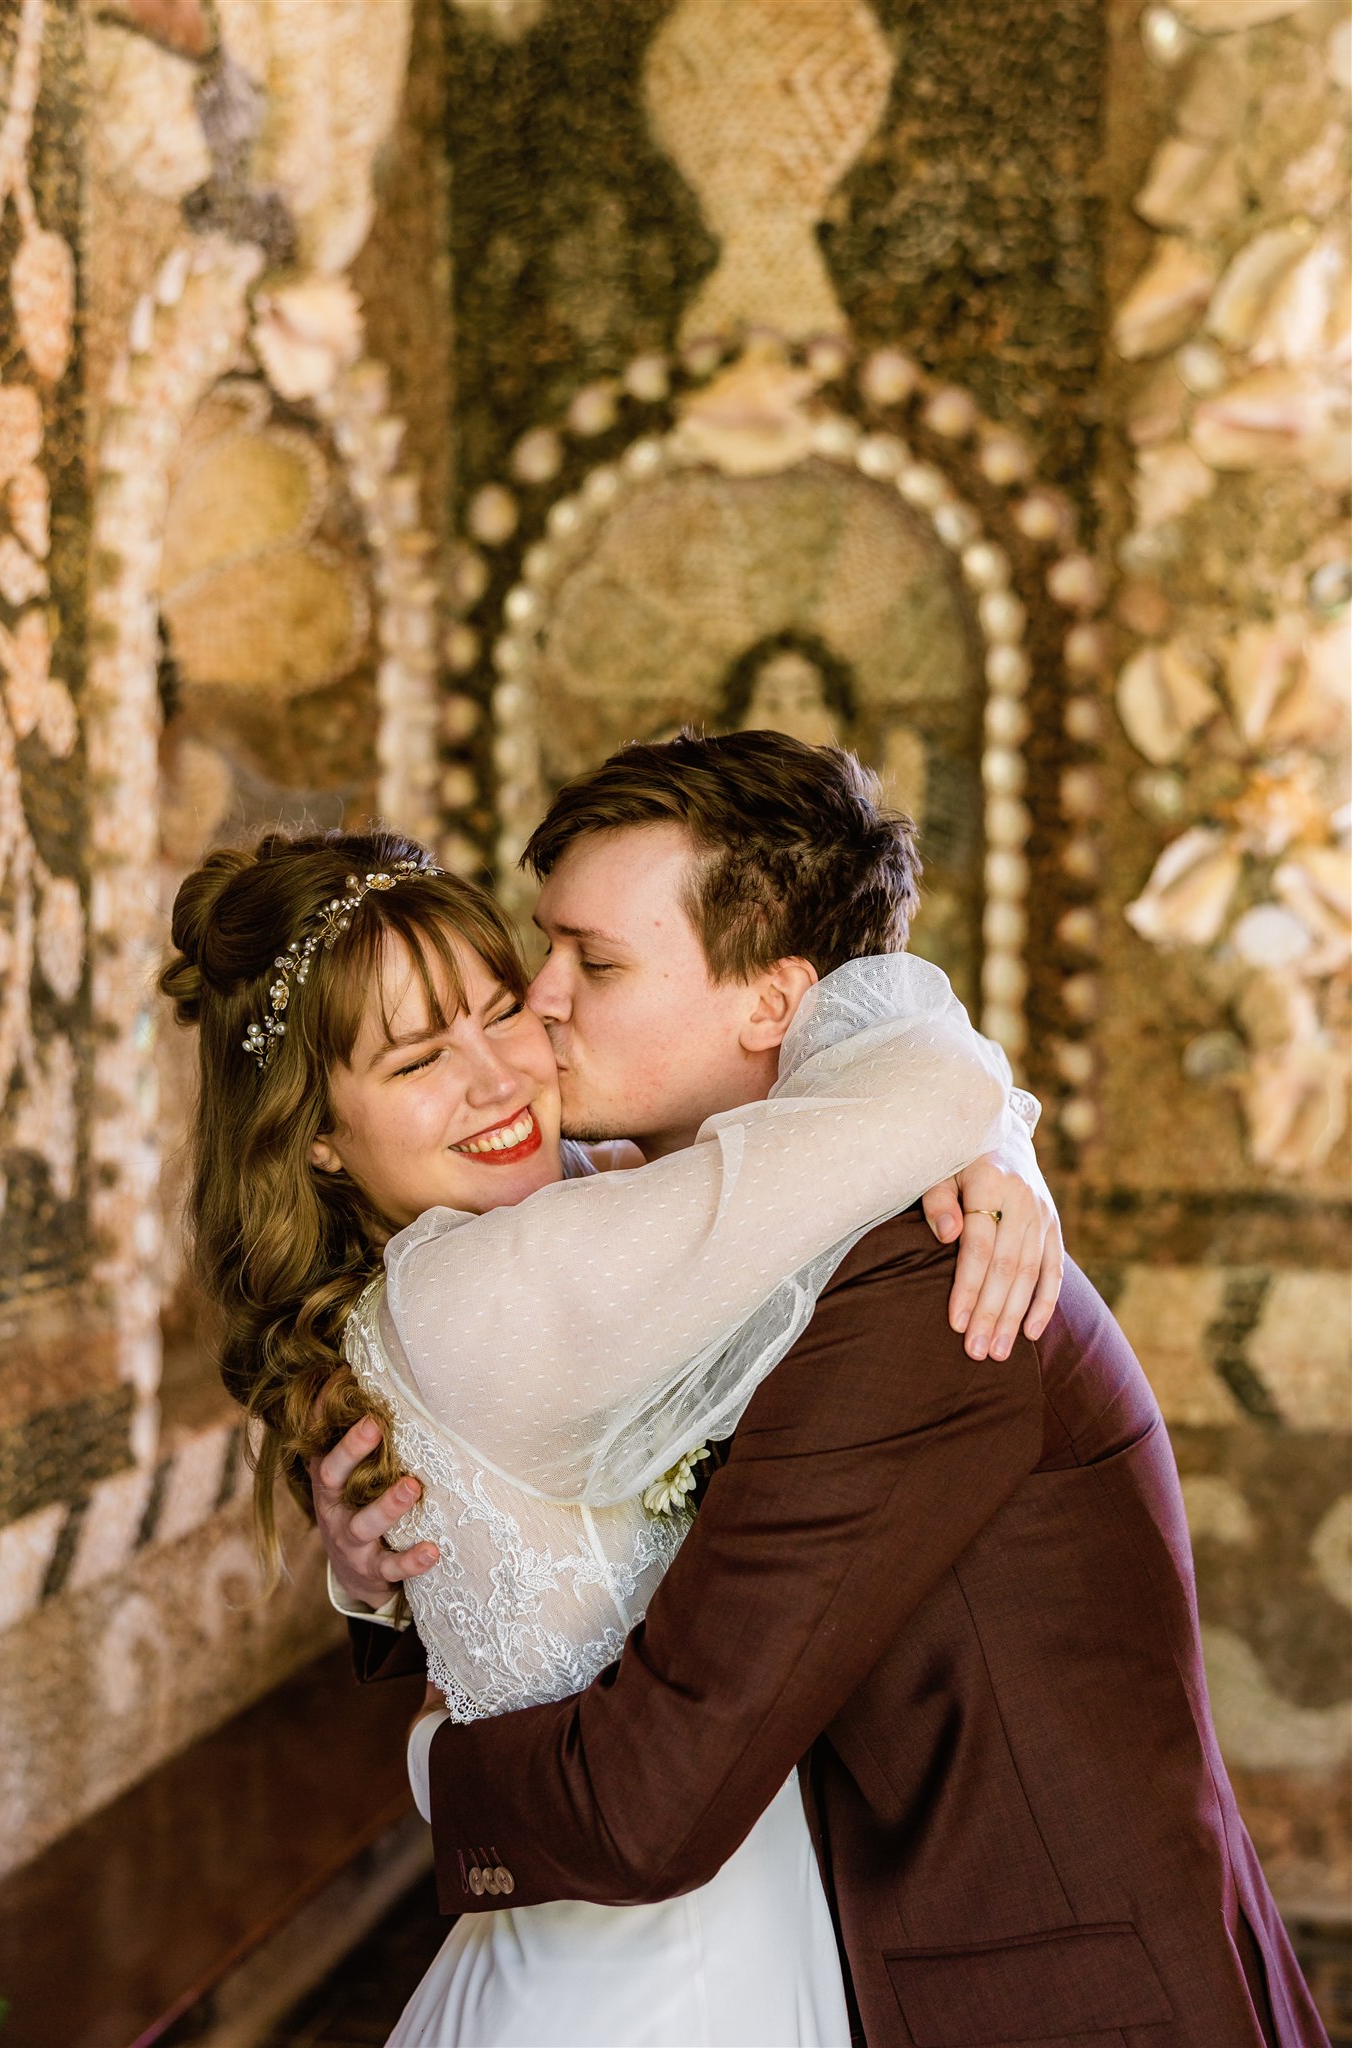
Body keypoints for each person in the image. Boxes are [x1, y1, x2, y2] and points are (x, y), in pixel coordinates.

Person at [321, 731, 1327, 2048]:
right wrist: (385, 1564)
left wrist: (428, 1768)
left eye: (598, 963)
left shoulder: (927, 1276)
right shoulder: (712, 1227)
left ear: (772, 1003)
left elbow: (650, 1800)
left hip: (1042, 1993)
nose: (540, 1002)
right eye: (543, 945)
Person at [161, 750, 1052, 2048]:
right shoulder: (501, 1280)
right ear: (312, 1132)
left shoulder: (557, 1203)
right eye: (417, 1058)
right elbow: (929, 1083)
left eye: (499, 1008)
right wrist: (992, 1141)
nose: (497, 1076)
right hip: (655, 1984)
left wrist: (982, 1147)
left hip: (631, 1934)